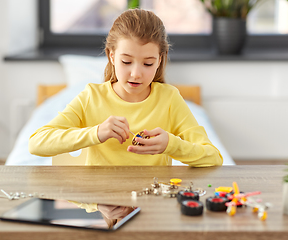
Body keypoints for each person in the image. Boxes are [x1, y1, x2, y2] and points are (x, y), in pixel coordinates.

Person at [29, 9, 223, 167]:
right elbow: (37, 143)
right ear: (112, 56)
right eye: (126, 61)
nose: (136, 74)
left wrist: (171, 145)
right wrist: (96, 133)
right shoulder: (92, 97)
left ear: (159, 61)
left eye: (147, 64)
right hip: (104, 204)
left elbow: (213, 157)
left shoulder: (169, 99)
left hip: (154, 205)